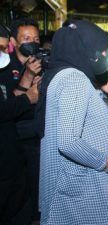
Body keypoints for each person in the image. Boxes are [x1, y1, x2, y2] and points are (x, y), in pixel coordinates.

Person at [37, 20, 108, 225]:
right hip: (82, 188)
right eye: (102, 51)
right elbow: (68, 141)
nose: (105, 56)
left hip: (79, 183)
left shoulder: (61, 74)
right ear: (86, 48)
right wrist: (106, 162)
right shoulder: (73, 79)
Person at [2, 17, 43, 223]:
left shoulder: (43, 63)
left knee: (35, 195)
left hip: (37, 140)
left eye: (35, 38)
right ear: (14, 41)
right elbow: (8, 107)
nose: (32, 42)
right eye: (26, 38)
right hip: (14, 141)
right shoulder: (5, 68)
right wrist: (27, 85)